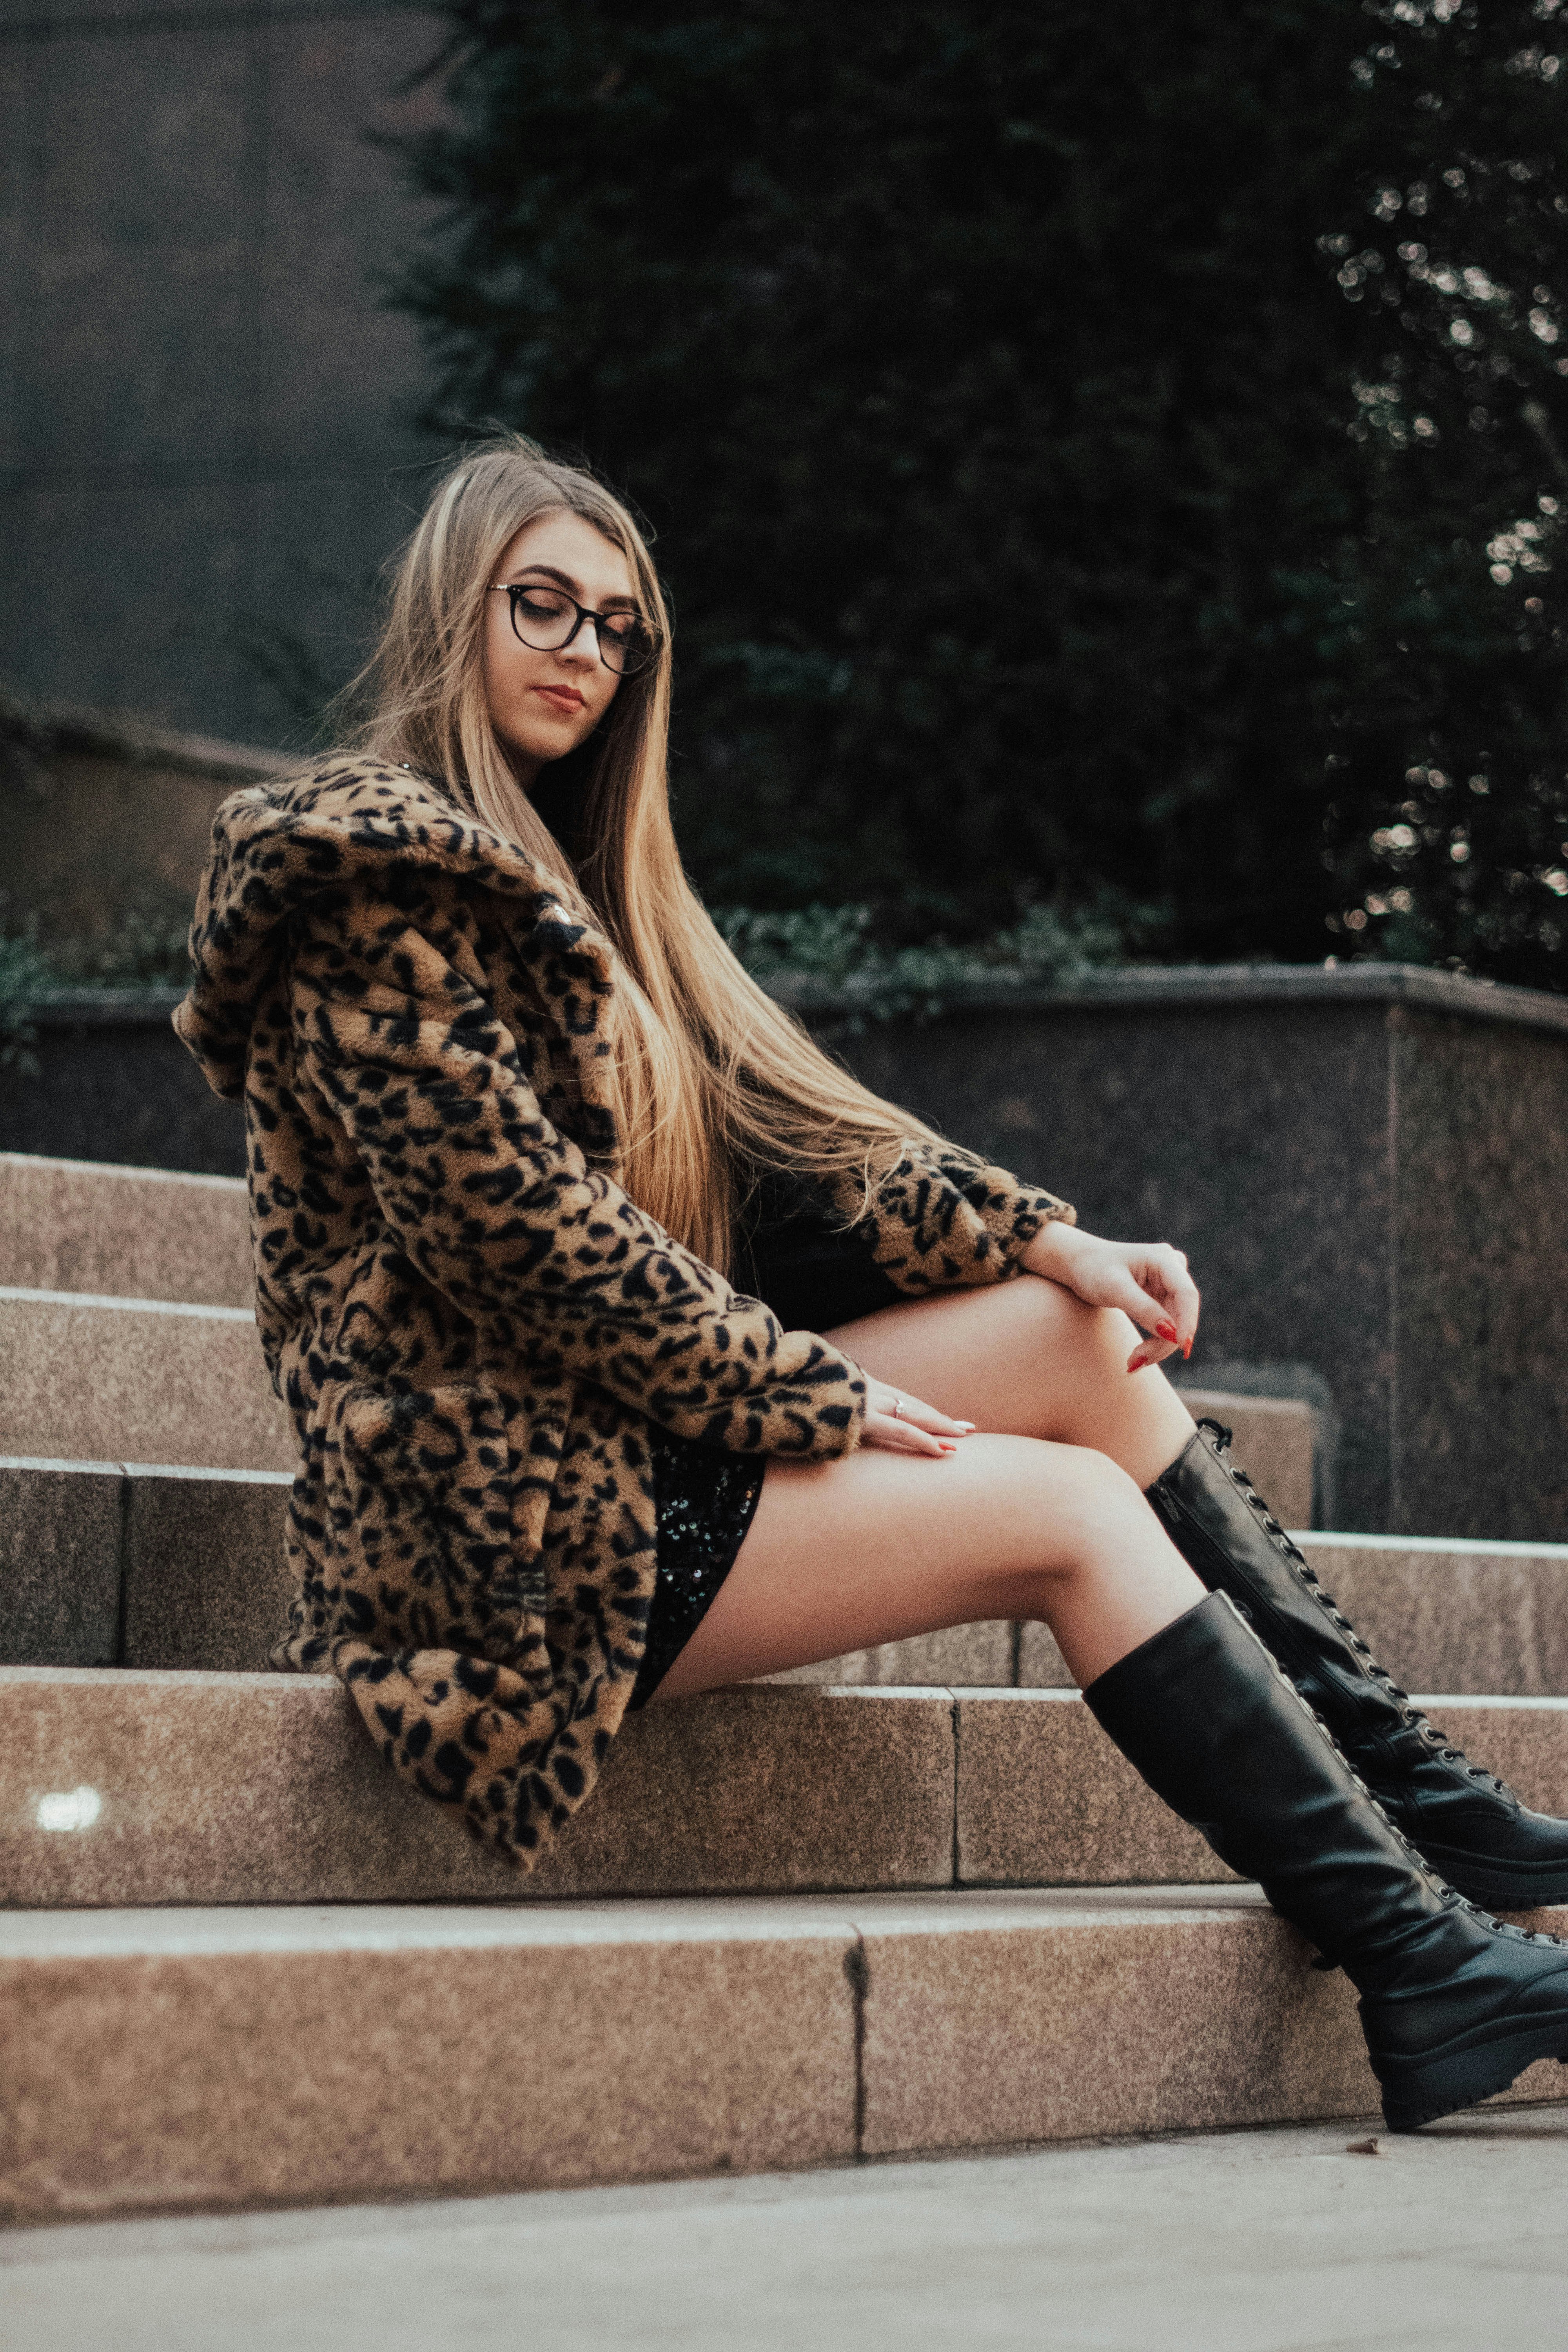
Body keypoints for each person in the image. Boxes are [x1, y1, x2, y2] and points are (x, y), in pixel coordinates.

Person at [178, 435, 1568, 2134]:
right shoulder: (368, 880)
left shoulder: (590, 892)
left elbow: (779, 1161)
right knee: (1066, 1510)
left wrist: (1038, 1234)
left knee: (1078, 1334)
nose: (581, 651)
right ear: (450, 613)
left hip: (633, 1453)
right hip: (515, 1545)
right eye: (539, 605)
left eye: (617, 628)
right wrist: (808, 1393)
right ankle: (1413, 1957)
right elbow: (520, 1238)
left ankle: (1429, 1807)